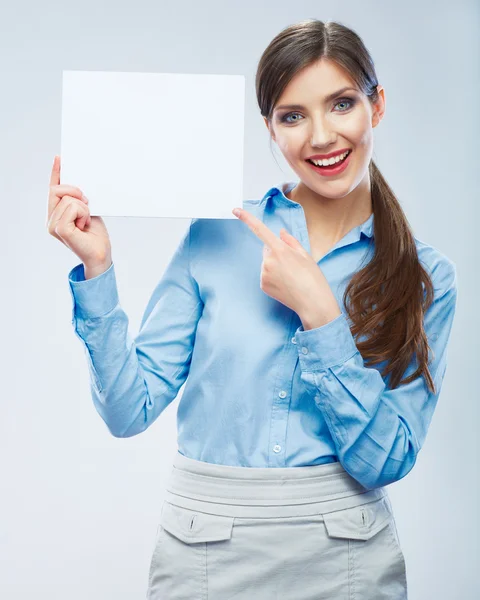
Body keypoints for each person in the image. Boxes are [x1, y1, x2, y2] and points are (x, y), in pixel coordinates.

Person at [46, 18, 457, 600]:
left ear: (377, 106)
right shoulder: (215, 236)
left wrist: (323, 319)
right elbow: (127, 411)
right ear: (269, 127)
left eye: (341, 104)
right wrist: (97, 269)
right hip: (204, 549)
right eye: (293, 116)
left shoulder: (427, 277)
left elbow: (385, 460)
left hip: (347, 557)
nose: (320, 137)